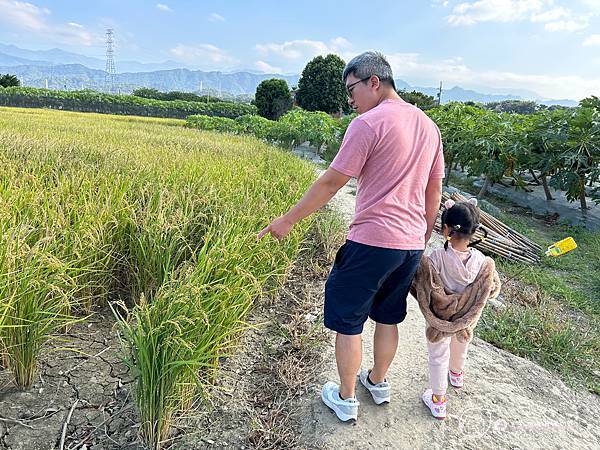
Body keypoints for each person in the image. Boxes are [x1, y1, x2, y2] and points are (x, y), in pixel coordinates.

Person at [257, 51, 444, 422]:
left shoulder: (368, 123)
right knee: (389, 317)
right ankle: (377, 381)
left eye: (351, 89)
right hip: (408, 245)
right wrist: (420, 237)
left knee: (349, 320)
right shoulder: (429, 126)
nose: (350, 99)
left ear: (374, 81)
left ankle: (345, 398)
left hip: (372, 241)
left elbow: (331, 182)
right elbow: (433, 191)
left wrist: (288, 220)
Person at [417, 198, 498, 419]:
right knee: (461, 342)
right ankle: (456, 374)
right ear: (474, 231)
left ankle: (438, 400)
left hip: (440, 318)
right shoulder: (483, 262)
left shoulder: (436, 257)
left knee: (438, 355)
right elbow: (492, 289)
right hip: (466, 318)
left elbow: (424, 284)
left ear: (446, 230)